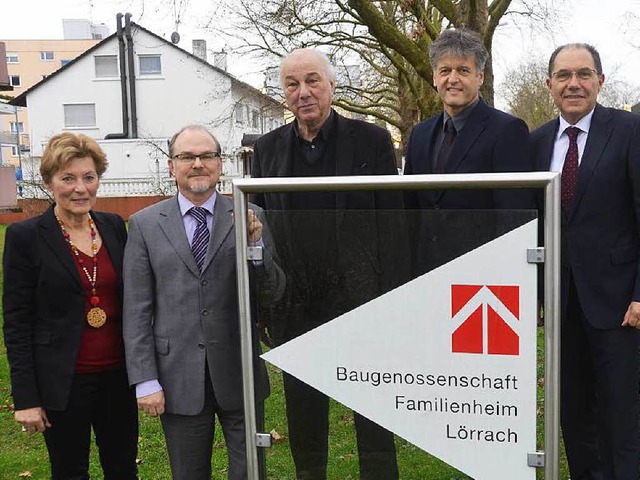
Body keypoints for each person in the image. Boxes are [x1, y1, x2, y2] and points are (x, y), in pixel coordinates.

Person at [251, 48, 403, 480]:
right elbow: (261, 231)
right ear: (283, 92)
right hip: (295, 304)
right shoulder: (267, 148)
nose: (303, 93)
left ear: (332, 85)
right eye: (292, 84)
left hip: (360, 300)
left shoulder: (371, 141)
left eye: (312, 81)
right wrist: (266, 303)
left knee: (374, 417)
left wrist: (392, 299)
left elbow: (391, 225)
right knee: (304, 422)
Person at [122, 125, 281, 480]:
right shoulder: (145, 225)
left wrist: (255, 247)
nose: (197, 164)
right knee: (189, 472)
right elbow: (136, 310)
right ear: (171, 165)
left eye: (206, 155)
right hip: (176, 374)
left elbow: (271, 293)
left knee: (250, 471)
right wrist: (145, 379)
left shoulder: (250, 215)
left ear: (219, 163)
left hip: (239, 371)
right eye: (186, 157)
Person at [531, 43, 640, 480]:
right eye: (563, 75)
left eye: (583, 74)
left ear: (600, 80)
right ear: (550, 85)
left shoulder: (630, 130)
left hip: (618, 306)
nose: (573, 83)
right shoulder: (536, 141)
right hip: (560, 307)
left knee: (621, 417)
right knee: (574, 417)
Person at [2, 132, 138, 479]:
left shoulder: (112, 227)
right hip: (62, 380)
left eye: (88, 177)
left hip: (117, 378)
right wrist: (27, 398)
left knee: (122, 469)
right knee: (69, 471)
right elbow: (17, 322)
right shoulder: (26, 237)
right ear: (49, 183)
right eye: (68, 178)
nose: (80, 188)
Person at [403, 28, 531, 209]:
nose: (453, 79)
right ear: (434, 77)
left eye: (463, 70)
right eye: (445, 70)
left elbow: (514, 214)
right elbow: (410, 208)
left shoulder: (507, 131)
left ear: (480, 77)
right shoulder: (419, 134)